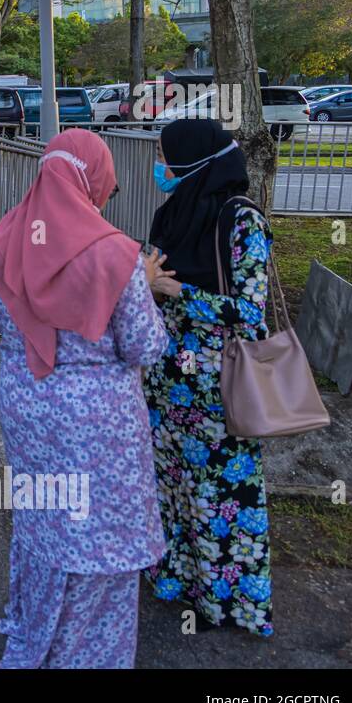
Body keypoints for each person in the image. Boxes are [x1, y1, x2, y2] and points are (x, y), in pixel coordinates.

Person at [0, 129, 171, 668]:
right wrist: (148, 286)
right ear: (94, 178)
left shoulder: (9, 234)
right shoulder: (116, 255)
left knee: (44, 522)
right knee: (99, 537)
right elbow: (143, 345)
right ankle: (85, 653)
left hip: (27, 406)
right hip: (97, 424)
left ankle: (35, 628)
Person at [142, 117, 275, 637]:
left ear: (197, 162)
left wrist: (177, 294)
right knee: (172, 490)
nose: (164, 169)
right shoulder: (172, 212)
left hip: (220, 389)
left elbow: (249, 311)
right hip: (167, 384)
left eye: (169, 159)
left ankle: (229, 605)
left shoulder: (243, 222)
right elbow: (154, 281)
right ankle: (176, 583)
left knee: (221, 498)